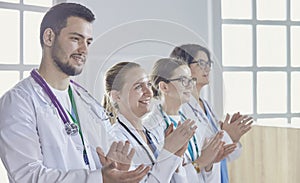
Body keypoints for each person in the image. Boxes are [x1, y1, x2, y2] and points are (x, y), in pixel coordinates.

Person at [0, 3, 149, 183]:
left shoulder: (84, 99)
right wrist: (99, 178)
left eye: (88, 42)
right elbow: (28, 176)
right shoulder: (18, 102)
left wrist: (114, 170)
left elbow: (101, 159)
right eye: (75, 39)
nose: (84, 50)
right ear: (49, 37)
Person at [170, 44, 253, 183]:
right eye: (201, 63)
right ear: (183, 68)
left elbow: (227, 156)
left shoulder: (206, 105)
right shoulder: (181, 109)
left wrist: (234, 137)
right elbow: (201, 154)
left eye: (208, 64)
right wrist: (227, 135)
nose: (207, 68)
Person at [103, 61, 197, 182]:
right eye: (138, 86)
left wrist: (175, 155)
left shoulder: (152, 135)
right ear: (116, 96)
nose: (149, 92)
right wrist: (169, 151)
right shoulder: (116, 140)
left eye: (148, 84)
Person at [143, 58, 234, 182]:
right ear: (164, 87)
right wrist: (200, 163)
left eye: (191, 80)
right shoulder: (150, 128)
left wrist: (209, 164)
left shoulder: (193, 123)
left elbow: (203, 174)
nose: (191, 85)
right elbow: (164, 177)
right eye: (183, 80)